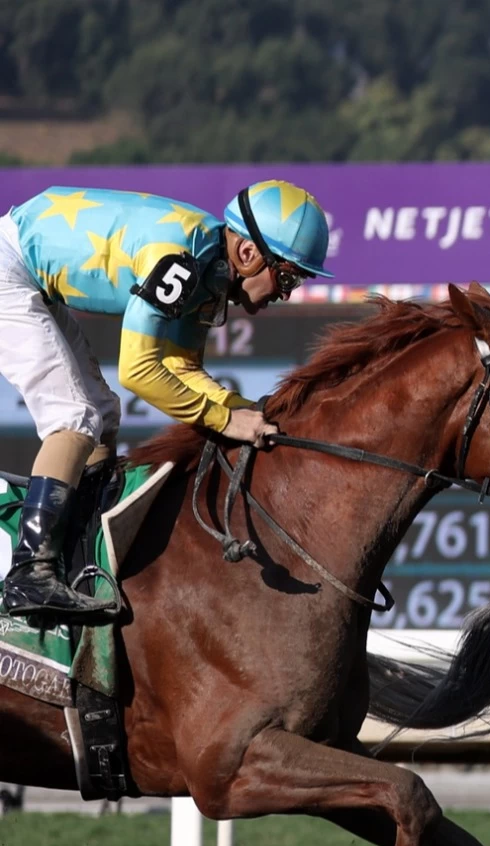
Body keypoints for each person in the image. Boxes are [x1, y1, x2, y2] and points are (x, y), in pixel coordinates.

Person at [0, 180, 330, 618]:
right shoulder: (184, 261)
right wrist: (227, 422)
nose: (285, 293)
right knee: (74, 417)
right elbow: (139, 370)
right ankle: (29, 574)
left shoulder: (210, 266)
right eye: (286, 276)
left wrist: (240, 409)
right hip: (11, 269)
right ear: (248, 254)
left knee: (102, 412)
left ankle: (77, 557)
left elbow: (181, 368)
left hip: (27, 267)